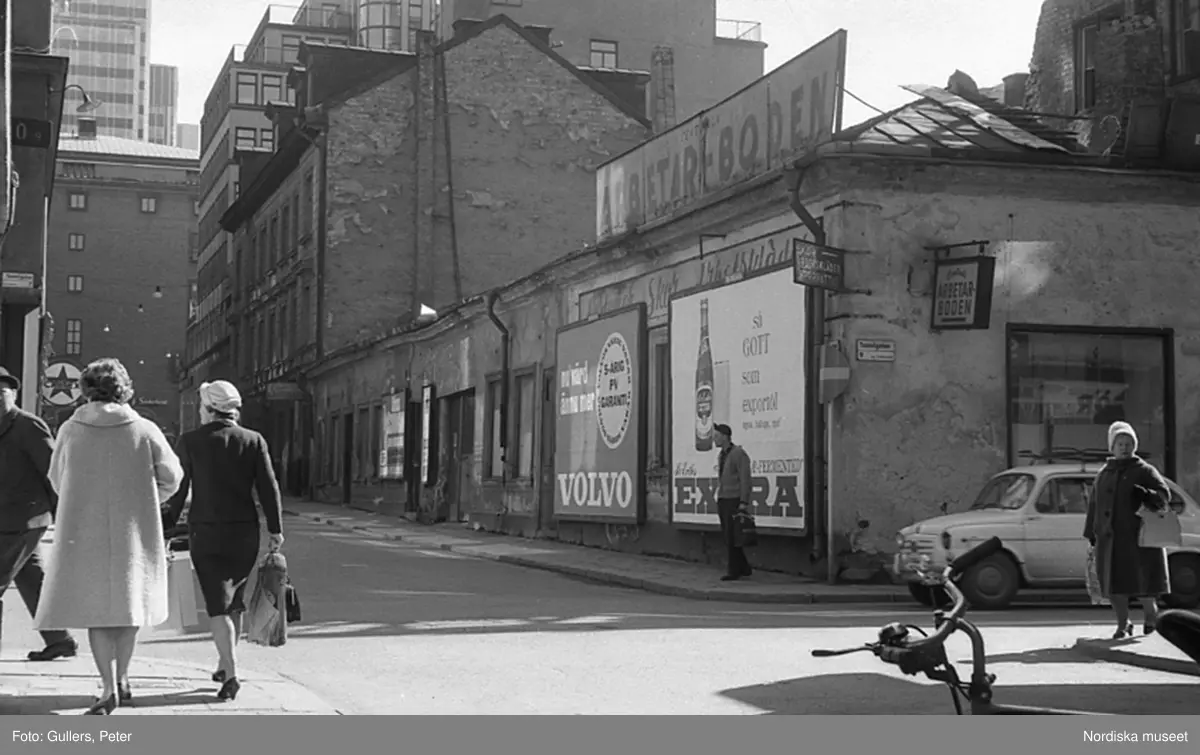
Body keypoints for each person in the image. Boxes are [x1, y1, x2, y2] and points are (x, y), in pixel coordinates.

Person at [34, 358, 183, 715]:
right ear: (124, 388)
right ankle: (124, 678)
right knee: (128, 610)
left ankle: (106, 686)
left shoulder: (71, 429)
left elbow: (56, 478)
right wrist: (150, 496)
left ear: (86, 389)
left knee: (98, 612)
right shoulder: (144, 428)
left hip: (84, 530)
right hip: (134, 530)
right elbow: (173, 476)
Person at [162, 380, 284, 703]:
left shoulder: (189, 442)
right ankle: (225, 661)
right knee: (235, 600)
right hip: (245, 533)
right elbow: (269, 489)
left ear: (209, 409)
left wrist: (166, 526)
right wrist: (276, 529)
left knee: (217, 604)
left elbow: (178, 490)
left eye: (202, 406)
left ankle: (230, 673)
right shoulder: (253, 440)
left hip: (206, 532)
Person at [0, 367, 78, 662]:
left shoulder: (28, 426)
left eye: (2, 393)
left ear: (14, 395)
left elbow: (55, 472)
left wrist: (63, 513)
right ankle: (60, 639)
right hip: (6, 518)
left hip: (25, 518)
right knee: (31, 578)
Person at [1083, 420, 1172, 639]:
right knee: (1114, 588)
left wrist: (1146, 495)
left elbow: (1164, 497)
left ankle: (1151, 615)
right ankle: (1123, 624)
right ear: (1111, 447)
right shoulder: (1103, 474)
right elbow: (1094, 505)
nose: (1124, 447)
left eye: (1128, 442)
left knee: (1143, 584)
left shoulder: (1144, 470)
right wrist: (1091, 534)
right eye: (1120, 443)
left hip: (1139, 539)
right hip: (1109, 540)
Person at [713, 423, 753, 582]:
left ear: (725, 436)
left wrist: (744, 501)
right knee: (729, 535)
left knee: (733, 535)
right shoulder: (722, 455)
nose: (715, 439)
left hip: (734, 499)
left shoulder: (738, 454)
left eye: (717, 436)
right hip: (724, 498)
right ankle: (744, 567)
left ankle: (733, 570)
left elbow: (745, 479)